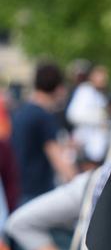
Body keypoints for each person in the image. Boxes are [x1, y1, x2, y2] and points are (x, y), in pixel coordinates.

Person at [10, 62, 75, 204]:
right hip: (37, 193)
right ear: (58, 88)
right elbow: (59, 160)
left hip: (18, 190)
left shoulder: (21, 112)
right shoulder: (44, 117)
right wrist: (78, 185)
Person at [66, 64, 111, 166]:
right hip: (86, 148)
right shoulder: (84, 91)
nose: (104, 78)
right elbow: (73, 115)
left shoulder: (100, 94)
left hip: (99, 150)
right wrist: (98, 118)